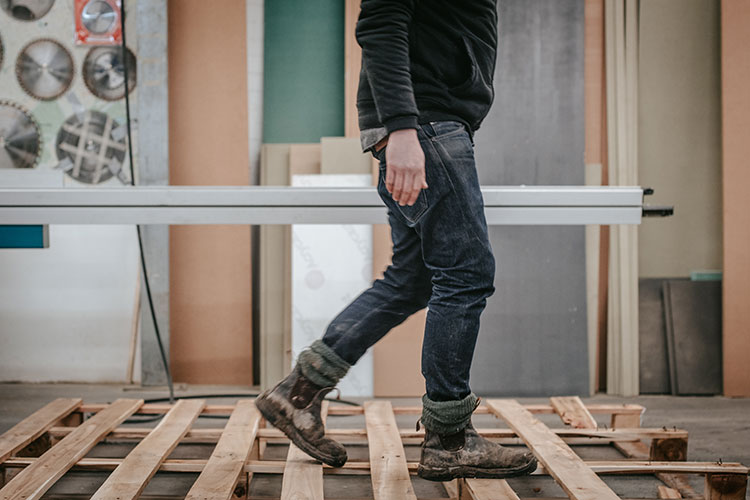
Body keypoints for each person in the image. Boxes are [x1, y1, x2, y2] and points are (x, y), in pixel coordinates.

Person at [256, 0, 538, 481]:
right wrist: (403, 128)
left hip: (427, 123)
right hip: (425, 123)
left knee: (413, 280)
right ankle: (449, 438)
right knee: (467, 274)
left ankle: (299, 392)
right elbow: (380, 21)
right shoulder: (415, 123)